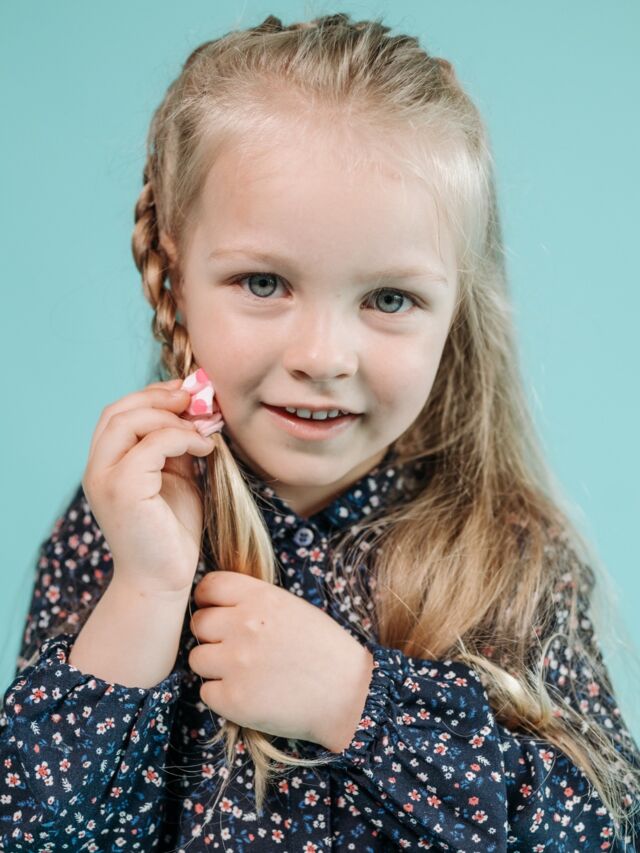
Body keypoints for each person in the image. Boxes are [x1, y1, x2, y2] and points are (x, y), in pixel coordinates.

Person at [1, 11, 639, 851]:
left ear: (456, 310)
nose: (322, 357)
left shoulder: (507, 554)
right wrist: (146, 594)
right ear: (175, 272)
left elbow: (603, 828)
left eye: (389, 298)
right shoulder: (123, 526)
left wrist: (357, 703)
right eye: (264, 282)